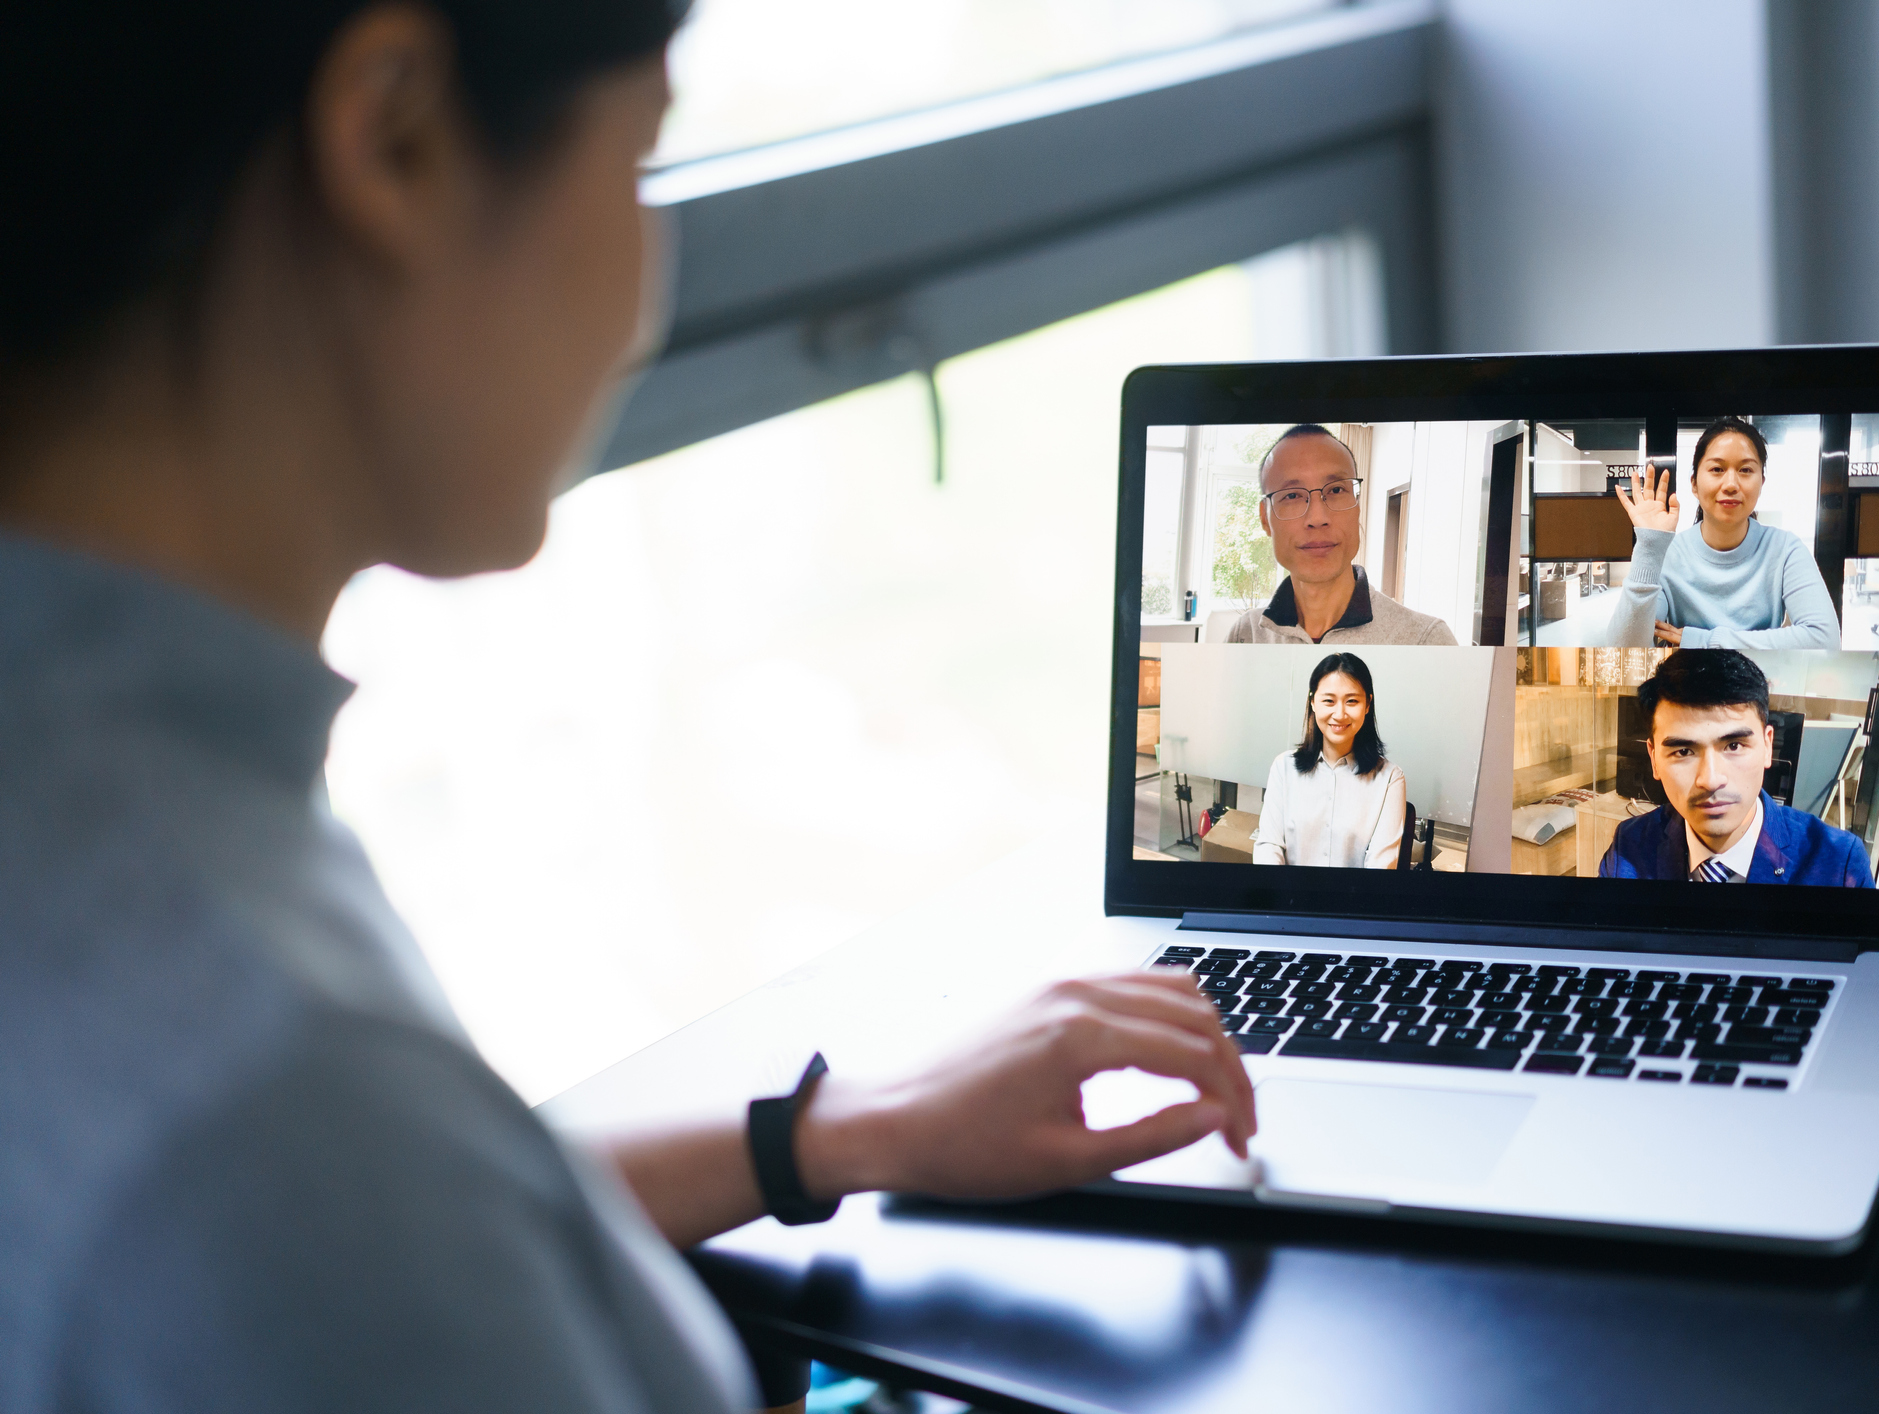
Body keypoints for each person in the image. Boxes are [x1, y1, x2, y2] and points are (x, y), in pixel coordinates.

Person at [0, 6, 1258, 1413]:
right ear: (396, 139)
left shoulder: (108, 826)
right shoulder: (277, 1101)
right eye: (641, 159)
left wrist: (834, 1135)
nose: (647, 289)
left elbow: (443, 1231)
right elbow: (349, 1213)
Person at [1599, 651, 1876, 886]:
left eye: (1734, 746)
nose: (1710, 780)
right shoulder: (1630, 847)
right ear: (1654, 758)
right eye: (1683, 751)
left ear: (1768, 746)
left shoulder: (1838, 864)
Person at [1608, 416, 1840, 649]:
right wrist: (1649, 549)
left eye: (1746, 469)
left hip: (1759, 682)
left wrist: (1705, 641)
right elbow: (1624, 652)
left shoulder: (1785, 549)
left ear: (1761, 483)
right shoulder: (1668, 554)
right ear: (1694, 485)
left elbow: (1824, 639)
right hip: (1685, 683)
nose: (1731, 484)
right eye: (1717, 469)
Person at [1224, 424, 1458, 645]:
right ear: (1265, 518)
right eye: (1292, 496)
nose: (1317, 518)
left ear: (1357, 505)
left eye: (1336, 490)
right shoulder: (1246, 635)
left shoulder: (1424, 641)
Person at [1252, 653, 1407, 868]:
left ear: (1368, 704)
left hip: (1354, 900)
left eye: (1352, 701)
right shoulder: (1284, 767)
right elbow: (1270, 846)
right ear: (1313, 702)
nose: (1340, 714)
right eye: (1329, 701)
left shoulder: (1389, 778)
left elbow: (1381, 866)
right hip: (1289, 898)